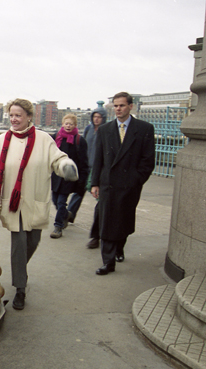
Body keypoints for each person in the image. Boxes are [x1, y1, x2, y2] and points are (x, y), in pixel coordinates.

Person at [0, 98, 78, 310]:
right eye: (11, 115)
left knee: (32, 241)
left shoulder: (44, 139)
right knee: (18, 244)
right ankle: (20, 288)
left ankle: (20, 271)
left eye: (18, 115)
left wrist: (66, 166)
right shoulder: (2, 140)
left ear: (29, 117)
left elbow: (57, 159)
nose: (14, 119)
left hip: (35, 201)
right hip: (12, 202)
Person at [91, 92, 155, 275]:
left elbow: (148, 160)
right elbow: (98, 159)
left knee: (124, 221)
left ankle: (119, 247)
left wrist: (136, 180)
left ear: (130, 107)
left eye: (122, 105)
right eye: (116, 106)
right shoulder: (105, 130)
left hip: (130, 185)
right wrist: (95, 183)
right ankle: (108, 262)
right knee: (107, 221)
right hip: (108, 184)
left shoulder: (144, 129)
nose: (118, 109)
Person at [49, 113, 89, 239]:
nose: (68, 126)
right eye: (66, 123)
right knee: (55, 201)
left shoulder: (79, 140)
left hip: (68, 177)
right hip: (56, 176)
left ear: (75, 126)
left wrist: (82, 180)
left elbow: (83, 162)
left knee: (61, 202)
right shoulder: (56, 137)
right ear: (62, 124)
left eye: (71, 124)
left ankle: (58, 226)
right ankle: (67, 215)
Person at [83, 104, 108, 249]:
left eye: (99, 117)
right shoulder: (89, 129)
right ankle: (96, 236)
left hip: (109, 173)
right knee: (100, 207)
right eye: (95, 116)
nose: (97, 119)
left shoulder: (108, 131)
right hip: (93, 169)